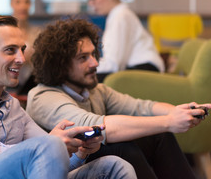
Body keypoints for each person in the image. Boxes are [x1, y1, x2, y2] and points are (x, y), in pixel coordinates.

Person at [0, 14, 136, 179]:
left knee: (115, 166)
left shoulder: (11, 105)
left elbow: (49, 163)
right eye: (10, 50)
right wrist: (45, 146)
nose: (22, 59)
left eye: (22, 50)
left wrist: (78, 150)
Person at [26, 18, 211, 179]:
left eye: (93, 54)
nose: (95, 63)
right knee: (122, 149)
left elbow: (140, 107)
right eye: (83, 58)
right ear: (59, 65)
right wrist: (168, 121)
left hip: (92, 158)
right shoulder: (43, 97)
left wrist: (181, 111)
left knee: (159, 135)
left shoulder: (95, 90)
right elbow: (98, 127)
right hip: (65, 170)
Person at [87, 0, 164, 82]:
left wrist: (84, 67)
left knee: (85, 80)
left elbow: (114, 64)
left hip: (145, 70)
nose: (91, 3)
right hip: (139, 68)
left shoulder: (121, 16)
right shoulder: (117, 15)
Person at [10, 0, 40, 95]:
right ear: (11, 4)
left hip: (31, 86)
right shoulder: (4, 33)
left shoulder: (37, 32)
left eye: (26, 2)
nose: (23, 6)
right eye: (18, 2)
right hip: (8, 86)